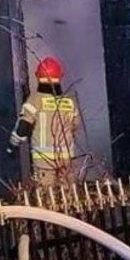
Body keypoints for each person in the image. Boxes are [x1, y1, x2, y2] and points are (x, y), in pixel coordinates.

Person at [9, 56, 81, 186]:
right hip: (66, 157)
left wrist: (13, 144)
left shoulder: (35, 100)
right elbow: (75, 125)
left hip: (43, 160)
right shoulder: (69, 102)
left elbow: (24, 126)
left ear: (38, 77)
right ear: (60, 77)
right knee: (68, 193)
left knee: (47, 194)